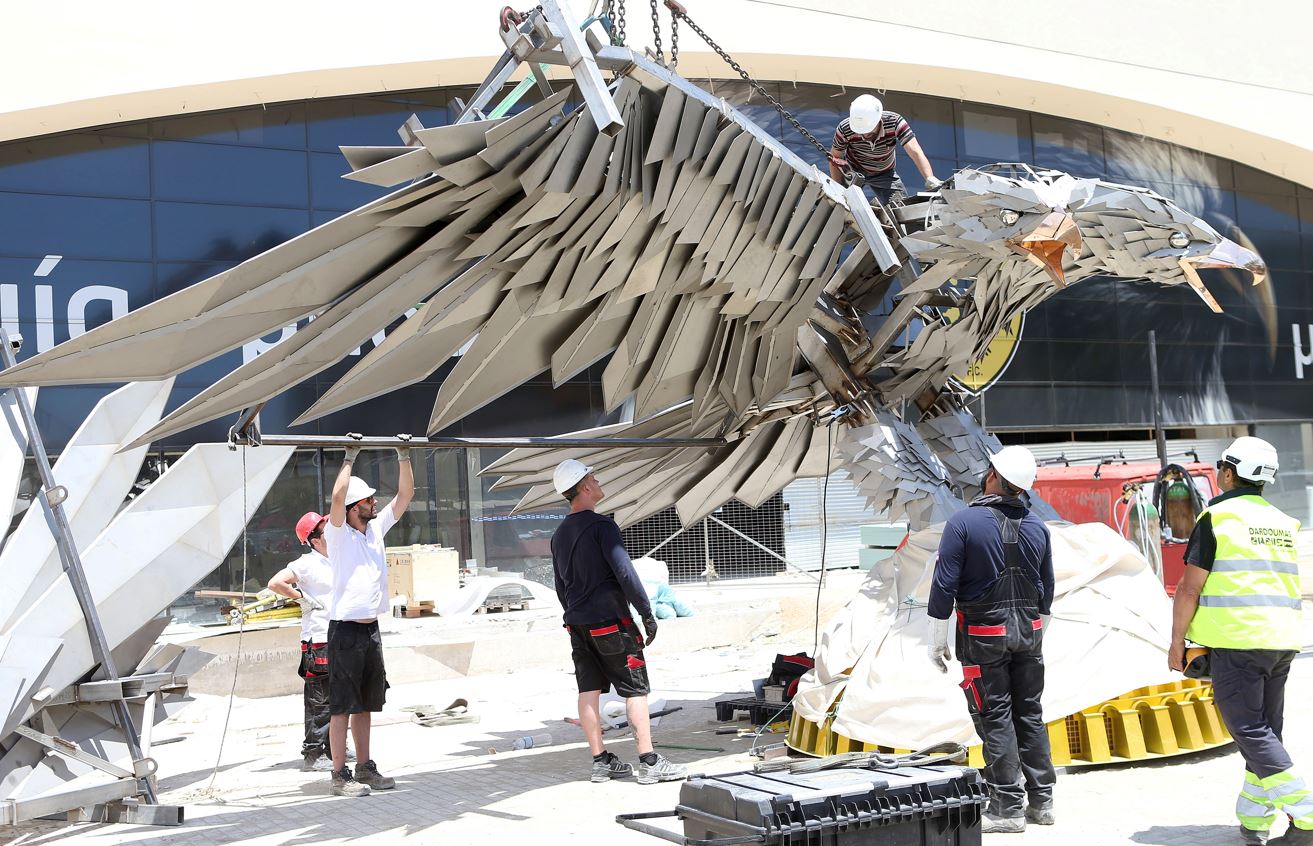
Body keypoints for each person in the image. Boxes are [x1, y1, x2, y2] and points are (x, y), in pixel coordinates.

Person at [1170, 437, 1309, 845]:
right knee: (1265, 731)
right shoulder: (1282, 521)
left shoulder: (1217, 518)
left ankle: (1306, 817)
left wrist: (1177, 642)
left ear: (1229, 473)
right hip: (1282, 640)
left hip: (1238, 641)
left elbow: (1189, 589)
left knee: (1248, 729)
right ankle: (1254, 818)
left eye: (1220, 466)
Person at [927, 445, 1056, 834]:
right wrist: (1035, 636)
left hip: (983, 637)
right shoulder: (1038, 526)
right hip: (1029, 634)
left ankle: (1007, 807)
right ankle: (1042, 802)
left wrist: (936, 638)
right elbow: (1047, 591)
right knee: (1029, 713)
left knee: (994, 716)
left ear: (992, 476)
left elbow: (944, 584)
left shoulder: (964, 523)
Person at [550, 459, 687, 786]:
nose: (598, 482)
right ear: (585, 487)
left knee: (588, 690)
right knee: (635, 689)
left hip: (577, 624)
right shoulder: (603, 526)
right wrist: (646, 613)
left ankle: (601, 763)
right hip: (611, 623)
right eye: (594, 478)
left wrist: (574, 616)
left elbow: (560, 586)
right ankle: (649, 762)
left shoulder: (559, 535)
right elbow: (625, 571)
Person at [323, 440, 413, 797]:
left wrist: (403, 456)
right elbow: (336, 497)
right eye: (368, 500)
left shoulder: (375, 530)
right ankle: (338, 774)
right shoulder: (337, 534)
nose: (375, 503)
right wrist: (349, 457)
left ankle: (364, 767)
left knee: (365, 704)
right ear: (353, 508)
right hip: (344, 632)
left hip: (370, 629)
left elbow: (405, 496)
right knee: (342, 706)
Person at [267, 511, 341, 772]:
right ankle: (314, 753)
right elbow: (276, 582)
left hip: (337, 635)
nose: (331, 532)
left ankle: (333, 748)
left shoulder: (338, 558)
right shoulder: (307, 563)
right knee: (319, 700)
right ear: (315, 540)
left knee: (337, 697)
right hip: (317, 640)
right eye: (325, 530)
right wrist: (302, 598)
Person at [829, 93, 942, 207]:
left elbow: (915, 152)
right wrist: (838, 188)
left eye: (869, 130)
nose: (865, 134)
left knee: (901, 206)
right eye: (860, 131)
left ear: (878, 119)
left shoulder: (894, 122)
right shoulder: (845, 128)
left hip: (885, 173)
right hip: (853, 171)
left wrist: (929, 178)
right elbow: (835, 158)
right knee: (840, 206)